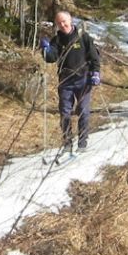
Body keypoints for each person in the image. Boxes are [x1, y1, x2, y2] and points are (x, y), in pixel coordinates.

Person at [40, 11, 101, 153]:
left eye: (64, 21)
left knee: (83, 111)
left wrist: (95, 73)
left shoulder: (83, 37)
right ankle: (67, 142)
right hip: (65, 81)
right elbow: (51, 58)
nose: (62, 25)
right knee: (65, 113)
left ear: (70, 21)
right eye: (59, 23)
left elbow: (94, 57)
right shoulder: (57, 40)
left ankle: (82, 142)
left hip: (83, 79)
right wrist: (45, 50)